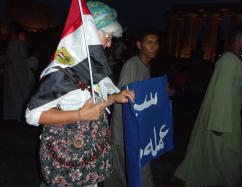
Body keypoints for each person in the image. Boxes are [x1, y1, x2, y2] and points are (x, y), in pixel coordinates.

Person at [25, 1, 134, 186]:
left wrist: (113, 98)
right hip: (67, 157)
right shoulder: (61, 72)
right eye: (107, 36)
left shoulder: (92, 66)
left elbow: (93, 104)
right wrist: (80, 115)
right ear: (88, 33)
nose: (109, 44)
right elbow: (33, 115)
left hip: (89, 155)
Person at [174, 25, 242, 187]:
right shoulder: (230, 62)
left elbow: (229, 88)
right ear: (240, 39)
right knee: (225, 156)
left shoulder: (231, 61)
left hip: (228, 116)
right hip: (223, 120)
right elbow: (222, 93)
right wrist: (219, 124)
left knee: (219, 156)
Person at [104, 28, 159, 187]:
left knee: (127, 173)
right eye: (149, 42)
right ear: (139, 45)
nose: (153, 46)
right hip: (125, 130)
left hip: (137, 129)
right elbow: (122, 99)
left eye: (156, 43)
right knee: (126, 173)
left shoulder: (146, 66)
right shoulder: (131, 66)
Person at [3, 22, 30, 122]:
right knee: (12, 93)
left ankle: (20, 116)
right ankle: (12, 115)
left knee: (18, 93)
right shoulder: (15, 43)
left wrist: (11, 61)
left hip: (17, 72)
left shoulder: (19, 43)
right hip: (12, 72)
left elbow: (22, 58)